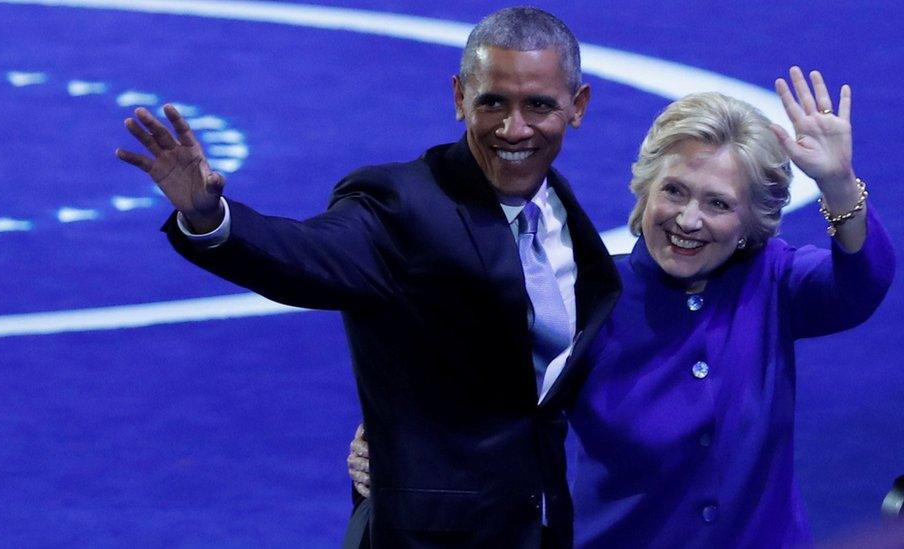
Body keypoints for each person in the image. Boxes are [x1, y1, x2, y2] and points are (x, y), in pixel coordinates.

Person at [116, 7, 621, 548]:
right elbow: (306, 255)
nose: (513, 128)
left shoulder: (567, 220)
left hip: (541, 530)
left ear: (577, 106)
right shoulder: (400, 205)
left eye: (538, 105)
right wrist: (212, 220)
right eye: (492, 101)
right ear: (459, 97)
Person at [347, 67, 895, 546]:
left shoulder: (773, 279)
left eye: (718, 204)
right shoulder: (587, 294)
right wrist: (393, 445)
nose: (688, 220)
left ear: (753, 222)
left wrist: (838, 183)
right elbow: (482, 393)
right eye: (675, 192)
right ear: (645, 189)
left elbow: (860, 286)